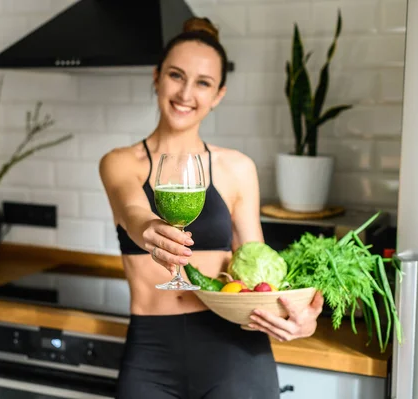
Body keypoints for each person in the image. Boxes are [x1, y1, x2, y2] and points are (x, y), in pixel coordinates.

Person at [99, 17, 324, 399]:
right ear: (156, 77)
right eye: (176, 75)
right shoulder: (121, 162)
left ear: (218, 94)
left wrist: (301, 319)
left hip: (234, 351)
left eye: (203, 83)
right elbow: (134, 212)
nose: (186, 93)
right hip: (151, 351)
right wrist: (152, 229)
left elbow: (256, 267)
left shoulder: (237, 168)